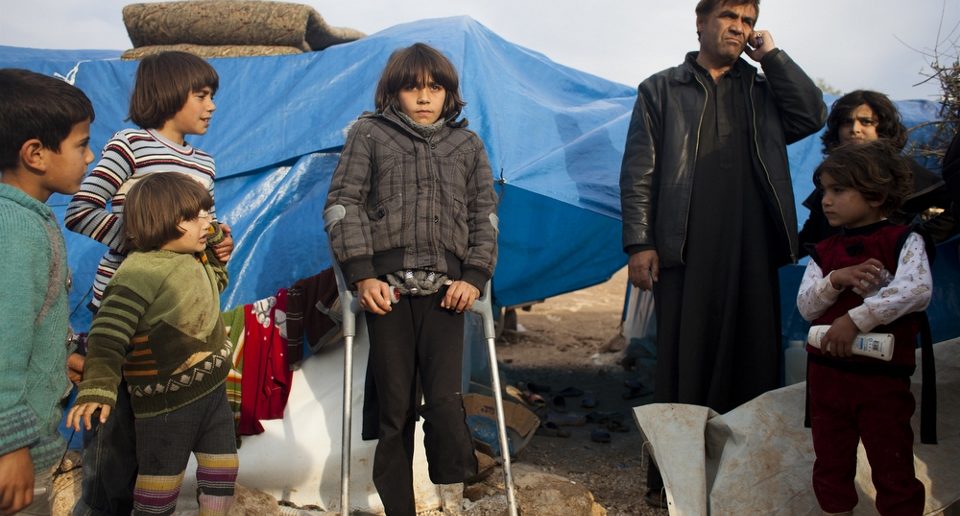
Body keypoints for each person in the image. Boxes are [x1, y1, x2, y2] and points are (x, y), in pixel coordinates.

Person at [618, 0, 826, 505]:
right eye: (729, 16)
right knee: (683, 359)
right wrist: (640, 242)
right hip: (685, 245)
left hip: (753, 244)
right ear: (701, 21)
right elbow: (638, 171)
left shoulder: (761, 88)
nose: (739, 27)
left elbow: (812, 114)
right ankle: (674, 482)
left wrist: (772, 57)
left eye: (748, 20)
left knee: (754, 356)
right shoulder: (661, 89)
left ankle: (746, 482)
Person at [324, 43, 498, 516]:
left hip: (448, 294)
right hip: (389, 295)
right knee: (394, 411)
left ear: (449, 95)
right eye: (413, 87)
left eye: (435, 88)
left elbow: (485, 216)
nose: (424, 97)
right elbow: (343, 206)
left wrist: (475, 277)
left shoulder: (468, 146)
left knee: (443, 403)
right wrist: (362, 277)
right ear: (393, 92)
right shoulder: (370, 135)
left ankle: (454, 481)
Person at [64, 51, 234, 516]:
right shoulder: (129, 145)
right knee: (115, 438)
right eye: (201, 95)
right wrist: (148, 243)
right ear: (168, 94)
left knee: (163, 433)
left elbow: (205, 229)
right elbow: (81, 210)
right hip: (129, 306)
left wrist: (218, 245)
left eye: (212, 96)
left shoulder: (204, 163)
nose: (211, 105)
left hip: (176, 319)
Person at [797, 141, 930, 515]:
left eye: (838, 190)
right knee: (831, 464)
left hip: (881, 382)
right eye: (824, 190)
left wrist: (854, 320)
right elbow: (806, 307)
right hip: (828, 380)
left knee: (892, 465)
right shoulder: (824, 253)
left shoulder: (903, 241)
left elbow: (917, 289)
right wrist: (835, 280)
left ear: (875, 194)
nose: (826, 200)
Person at [0, 68, 95, 515]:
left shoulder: (31, 216)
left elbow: (29, 321)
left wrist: (62, 358)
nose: (91, 156)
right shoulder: (16, 229)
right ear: (35, 153)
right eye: (81, 144)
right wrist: (9, 444)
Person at [798, 90, 955, 254]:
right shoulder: (832, 176)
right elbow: (810, 236)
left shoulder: (899, 170)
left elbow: (954, 206)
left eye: (866, 122)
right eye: (846, 122)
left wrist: (917, 241)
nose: (854, 129)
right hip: (835, 273)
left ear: (883, 128)